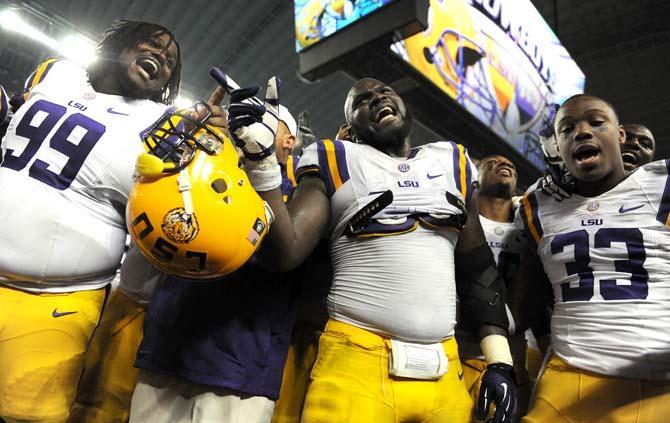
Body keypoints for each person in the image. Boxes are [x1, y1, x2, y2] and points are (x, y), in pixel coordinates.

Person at [229, 77, 517, 423]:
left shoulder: (451, 160)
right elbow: (284, 252)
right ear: (350, 126)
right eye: (362, 100)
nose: (377, 97)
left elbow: (478, 270)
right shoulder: (335, 157)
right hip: (356, 362)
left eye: (385, 91)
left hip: (446, 367)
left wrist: (500, 363)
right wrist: (261, 165)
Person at [0, 20, 183, 423]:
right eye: (152, 45)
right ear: (120, 42)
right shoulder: (57, 74)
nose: (161, 59)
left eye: (170, 61)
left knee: (25, 416)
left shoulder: (168, 125)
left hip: (56, 300)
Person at [127, 93, 302, 423]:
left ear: (289, 140)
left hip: (241, 372)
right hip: (167, 353)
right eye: (243, 118)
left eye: (262, 120)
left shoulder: (300, 191)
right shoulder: (199, 165)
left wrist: (257, 166)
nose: (246, 125)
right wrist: (201, 136)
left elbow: (285, 254)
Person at [513, 94, 670, 422]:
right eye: (568, 129)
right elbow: (528, 299)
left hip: (658, 380)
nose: (582, 132)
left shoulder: (661, 185)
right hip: (570, 372)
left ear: (620, 135)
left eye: (597, 123)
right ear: (557, 145)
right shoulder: (539, 205)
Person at [457, 155, 530, 422]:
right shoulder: (460, 219)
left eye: (511, 165)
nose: (505, 165)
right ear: (475, 178)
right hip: (458, 346)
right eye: (492, 163)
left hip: (513, 350)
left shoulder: (532, 224)